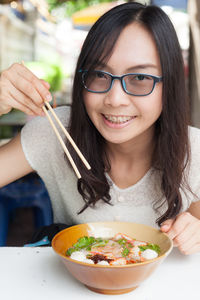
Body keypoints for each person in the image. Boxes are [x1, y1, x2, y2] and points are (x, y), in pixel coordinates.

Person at [0, 2, 200, 255]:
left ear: (169, 85)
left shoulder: (195, 151)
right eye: (99, 74)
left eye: (140, 78)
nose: (115, 99)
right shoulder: (56, 132)